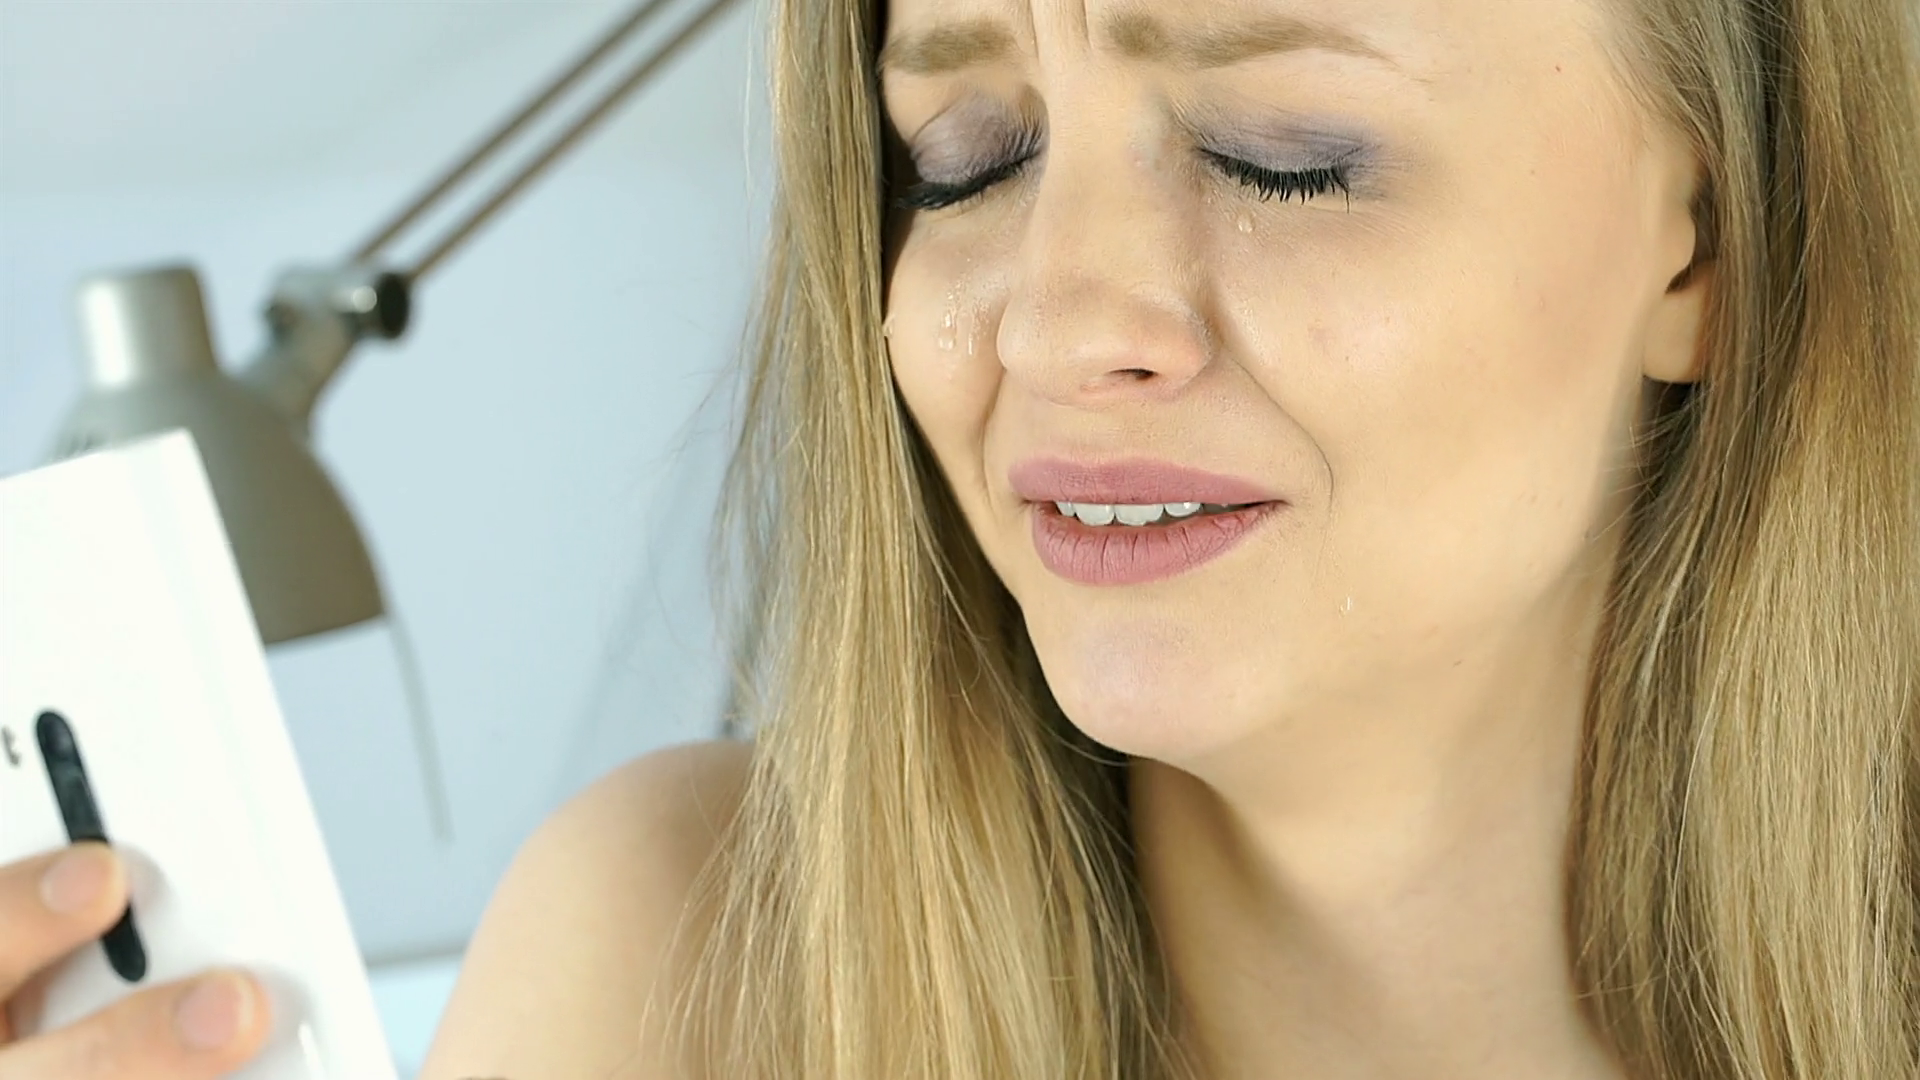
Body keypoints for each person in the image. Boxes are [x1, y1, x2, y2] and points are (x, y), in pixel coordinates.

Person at [4, 0, 1918, 1076]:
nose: (1052, 323)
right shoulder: (686, 966)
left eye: (1284, 156)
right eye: (968, 161)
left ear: (1709, 246)